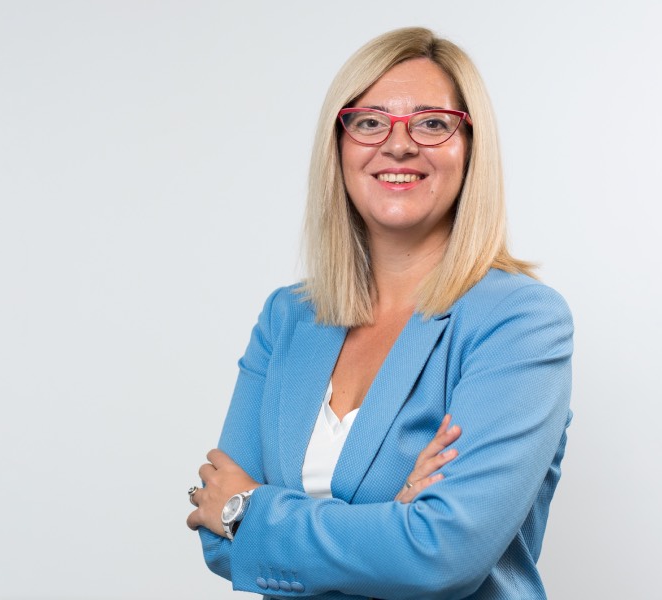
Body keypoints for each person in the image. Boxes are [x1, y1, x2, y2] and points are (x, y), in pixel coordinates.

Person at [186, 26, 573, 600]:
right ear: (339, 146)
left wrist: (250, 512)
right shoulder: (287, 318)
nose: (398, 145)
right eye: (369, 122)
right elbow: (215, 535)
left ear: (470, 148)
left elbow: (442, 553)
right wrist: (393, 523)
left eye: (432, 123)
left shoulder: (520, 322)